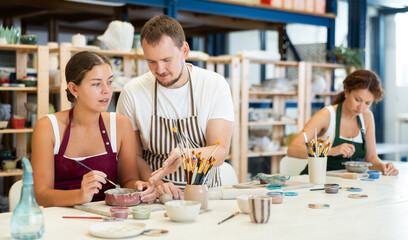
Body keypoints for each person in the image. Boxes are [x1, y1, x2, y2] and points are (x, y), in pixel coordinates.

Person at [116, 15, 234, 199]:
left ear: (184, 50)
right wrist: (157, 184)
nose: (160, 69)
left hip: (205, 194)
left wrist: (185, 155)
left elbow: (220, 150)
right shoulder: (132, 92)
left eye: (167, 60)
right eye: (151, 62)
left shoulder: (214, 85)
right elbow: (134, 156)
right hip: (156, 195)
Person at [31, 51, 156, 207]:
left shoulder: (121, 125)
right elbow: (40, 195)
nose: (106, 90)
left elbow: (127, 181)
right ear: (74, 89)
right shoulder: (48, 128)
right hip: (58, 218)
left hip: (107, 217)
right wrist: (81, 195)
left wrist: (139, 187)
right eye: (97, 84)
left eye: (109, 82)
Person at [287, 69, 398, 175]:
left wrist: (383, 167)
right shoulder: (327, 115)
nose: (361, 107)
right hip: (316, 182)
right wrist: (331, 150)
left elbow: (371, 158)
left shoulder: (367, 117)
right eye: (357, 100)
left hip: (345, 185)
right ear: (346, 92)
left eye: (367, 103)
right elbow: (293, 149)